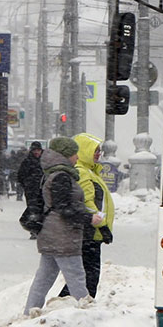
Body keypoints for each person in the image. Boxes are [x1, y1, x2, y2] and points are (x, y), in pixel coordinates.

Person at [22, 135, 104, 315]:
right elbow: (64, 207)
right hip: (63, 234)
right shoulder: (62, 177)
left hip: (51, 233)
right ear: (65, 155)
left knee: (44, 277)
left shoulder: (52, 173)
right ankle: (88, 313)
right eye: (74, 153)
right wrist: (89, 218)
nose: (77, 157)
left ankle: (29, 312)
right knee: (76, 275)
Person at [58, 132, 114, 299]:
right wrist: (101, 225)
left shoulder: (90, 171)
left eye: (99, 151)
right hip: (89, 232)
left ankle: (71, 305)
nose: (98, 154)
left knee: (83, 275)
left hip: (90, 231)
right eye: (95, 150)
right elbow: (87, 202)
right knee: (87, 276)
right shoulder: (82, 172)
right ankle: (73, 305)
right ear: (84, 150)